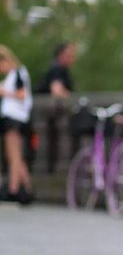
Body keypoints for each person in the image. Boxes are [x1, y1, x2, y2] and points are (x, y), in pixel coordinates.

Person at [35, 41, 77, 173]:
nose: (72, 58)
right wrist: (72, 98)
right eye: (69, 55)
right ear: (60, 55)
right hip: (47, 115)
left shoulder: (60, 70)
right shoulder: (57, 69)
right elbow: (57, 91)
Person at [0, 45, 33, 204]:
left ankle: (13, 189)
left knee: (13, 156)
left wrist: (4, 92)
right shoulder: (15, 74)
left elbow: (21, 94)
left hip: (15, 118)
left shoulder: (18, 73)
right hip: (15, 118)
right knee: (16, 157)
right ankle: (27, 189)